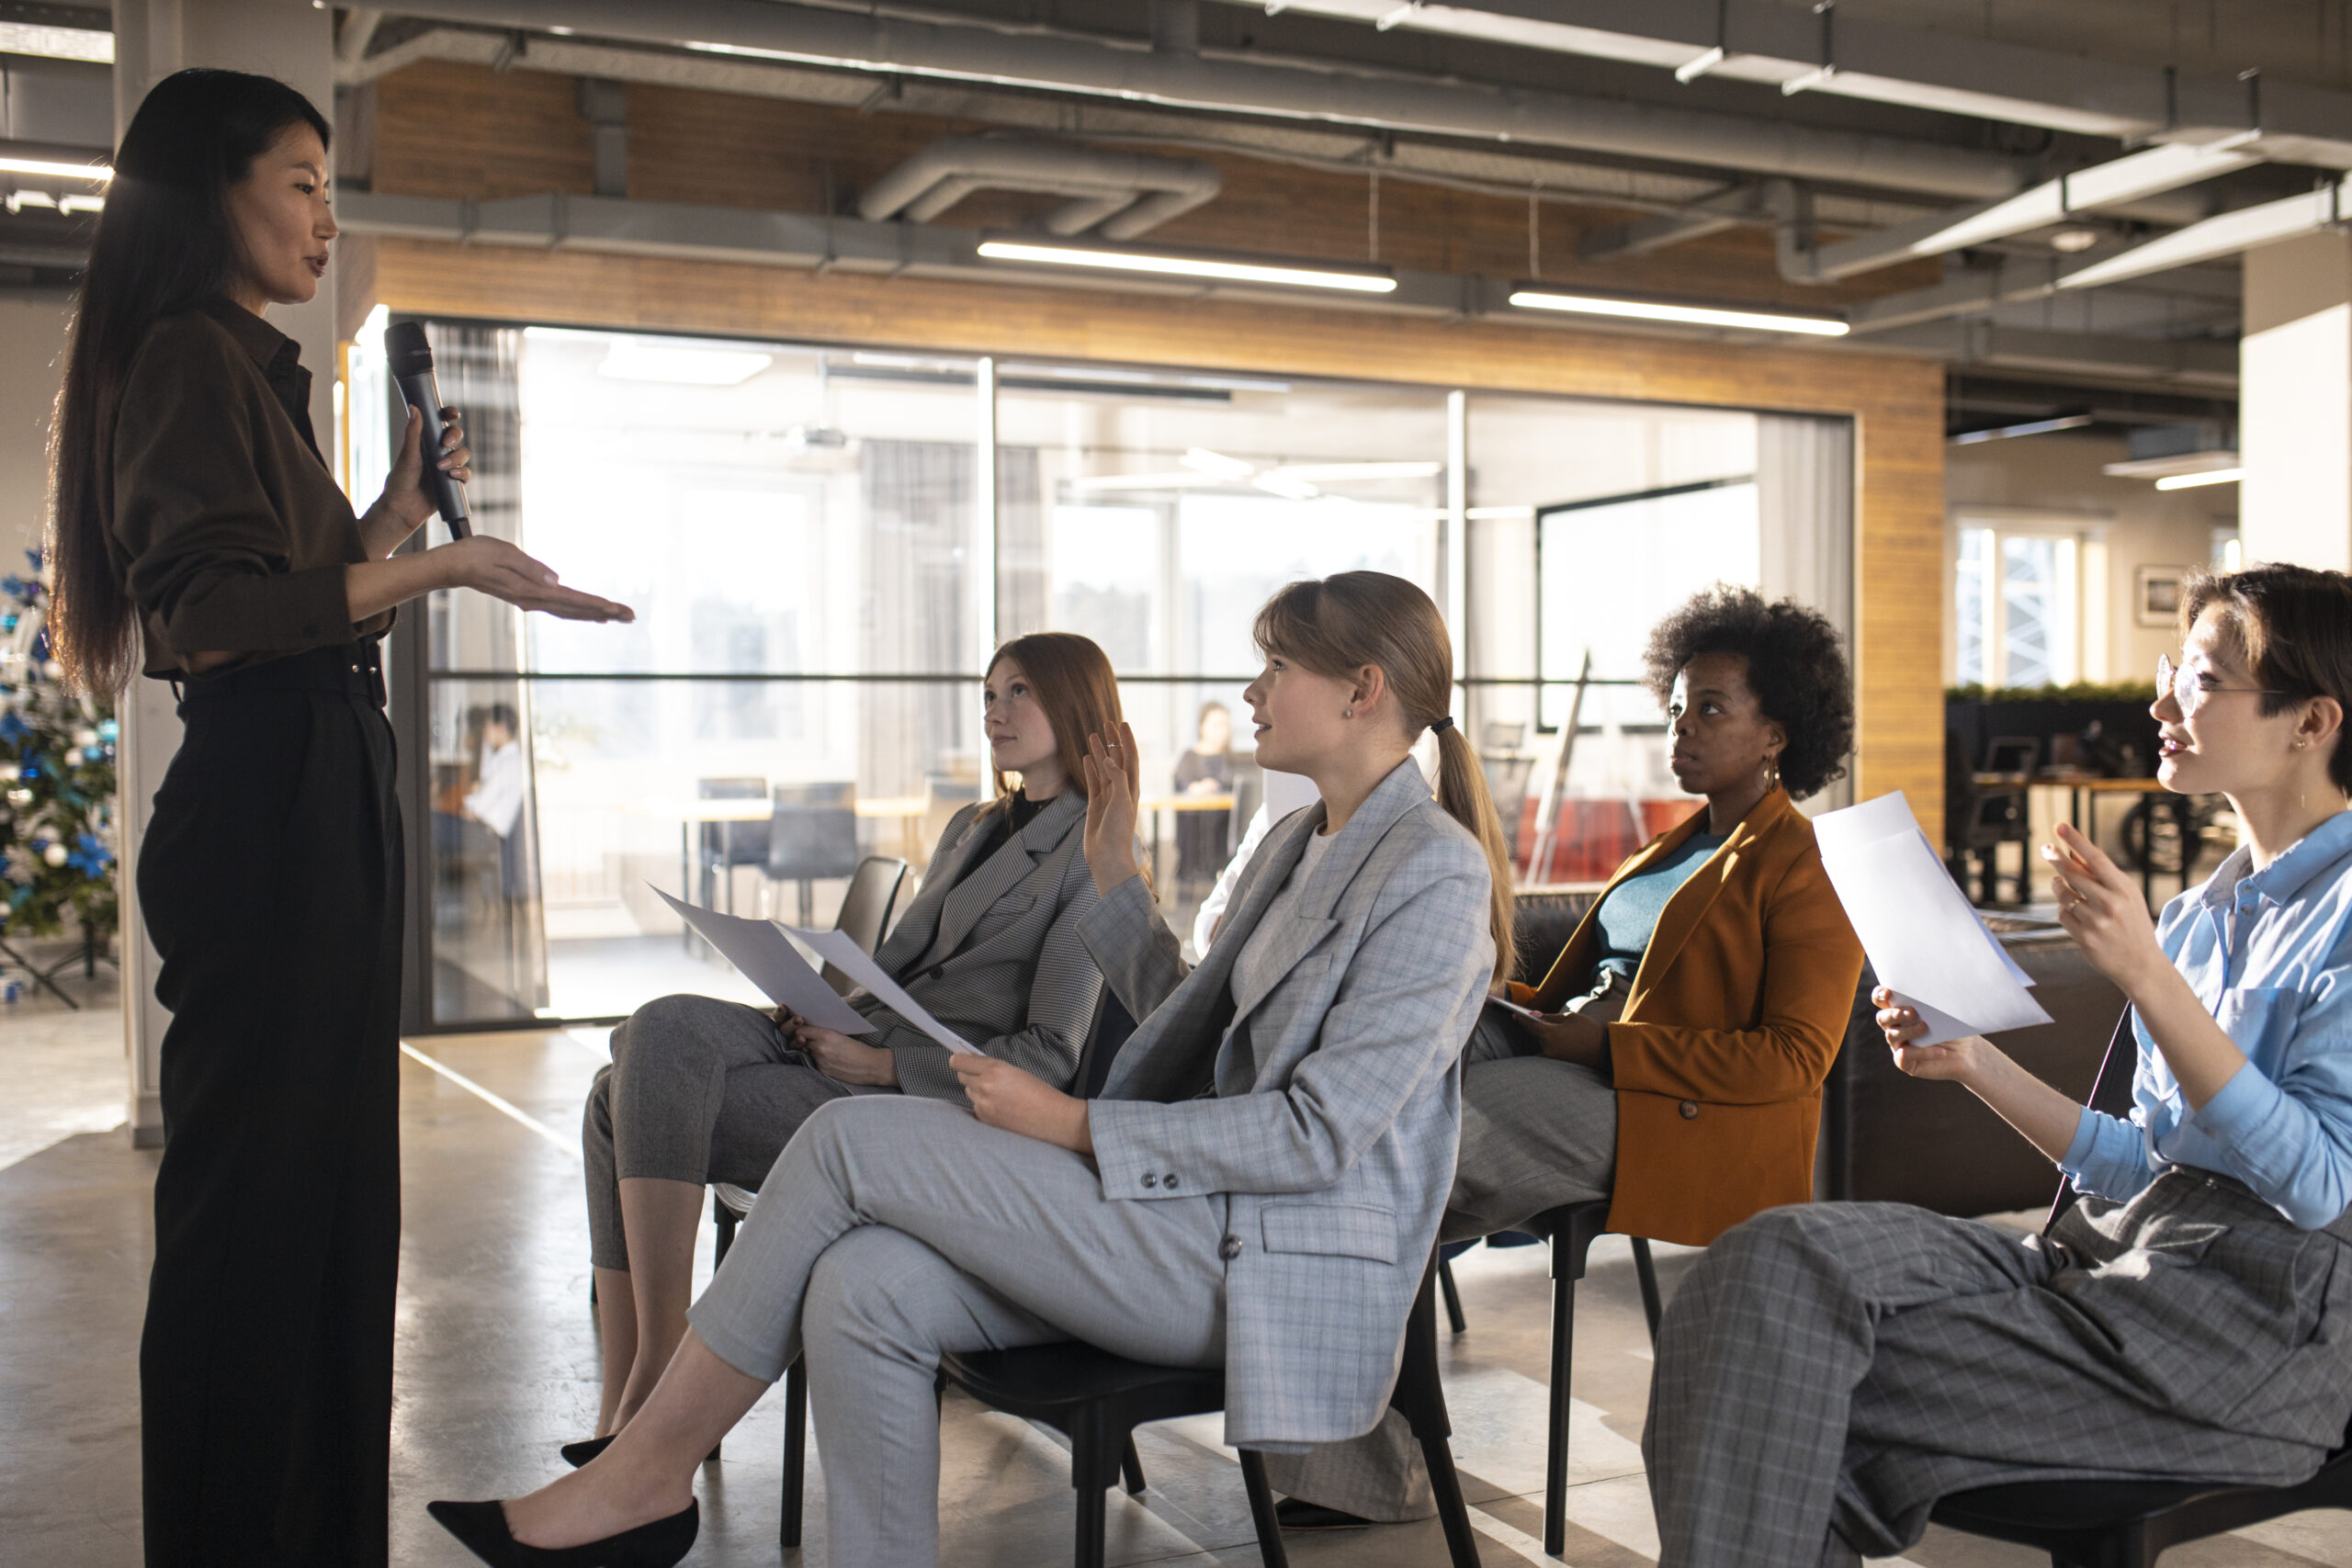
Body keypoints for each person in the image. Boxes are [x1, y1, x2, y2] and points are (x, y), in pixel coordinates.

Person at [426, 570, 1519, 1568]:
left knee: (844, 1140)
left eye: (1276, 665)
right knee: (862, 1284)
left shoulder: (1432, 873)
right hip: (1188, 1219)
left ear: (1362, 690)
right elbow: (1195, 1025)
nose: (1251, 690)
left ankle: (643, 1478)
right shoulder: (1300, 842)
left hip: (1266, 1261)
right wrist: (1113, 871)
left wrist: (1070, 1124)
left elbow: (1318, 1134)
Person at [42, 69, 631, 1568]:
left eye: (329, 187)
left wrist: (393, 517)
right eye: (301, 184)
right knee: (257, 1224)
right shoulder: (184, 356)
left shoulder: (244, 372)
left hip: (309, 787)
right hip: (267, 805)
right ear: (212, 191)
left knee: (326, 1214)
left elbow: (287, 595)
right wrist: (447, 566)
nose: (326, 219)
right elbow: (216, 623)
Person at [1645, 562, 2352, 1568]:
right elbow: (2140, 1165)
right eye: (2171, 675)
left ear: (2311, 721)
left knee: (1774, 1373)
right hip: (2110, 1255)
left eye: (2198, 680)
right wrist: (1975, 1064)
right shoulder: (2197, 918)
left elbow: (2320, 1186)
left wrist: (2147, 978)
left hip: (2254, 1319)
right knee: (1761, 1267)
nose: (2160, 705)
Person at [1263, 585, 1867, 1527]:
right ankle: (1356, 1429)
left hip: (1671, 1117)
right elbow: (1594, 982)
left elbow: (1794, 1062)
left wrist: (1611, 1046)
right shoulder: (1674, 845)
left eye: (1711, 709)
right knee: (1362, 1089)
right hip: (1583, 1056)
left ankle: (1372, 1460)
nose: (1682, 727)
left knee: (1393, 1144)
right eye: (1677, 706)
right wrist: (1505, 1001)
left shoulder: (1806, 866)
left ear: (1777, 734)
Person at [572, 631, 1124, 1450]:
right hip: (851, 1043)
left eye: (1020, 692)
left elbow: (1050, 1056)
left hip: (920, 1101)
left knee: (613, 1101)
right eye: (988, 693)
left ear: (1075, 703)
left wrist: (882, 1064)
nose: (995, 711)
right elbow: (906, 967)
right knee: (658, 1023)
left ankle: (644, 1402)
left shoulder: (1095, 855)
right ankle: (636, 1387)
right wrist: (823, 1007)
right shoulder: (973, 825)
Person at [464, 702, 528, 898]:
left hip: (487, 833)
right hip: (484, 830)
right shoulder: (501, 759)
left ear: (500, 728)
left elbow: (479, 805)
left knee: (430, 824)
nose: (484, 734)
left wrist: (469, 804)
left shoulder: (509, 763)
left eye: (487, 727)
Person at [1172, 698, 1236, 888]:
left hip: (1223, 836)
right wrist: (1198, 788)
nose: (1221, 731)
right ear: (1202, 727)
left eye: (1225, 725)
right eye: (1216, 725)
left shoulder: (1231, 759)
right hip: (1193, 838)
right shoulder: (1189, 757)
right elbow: (1182, 784)